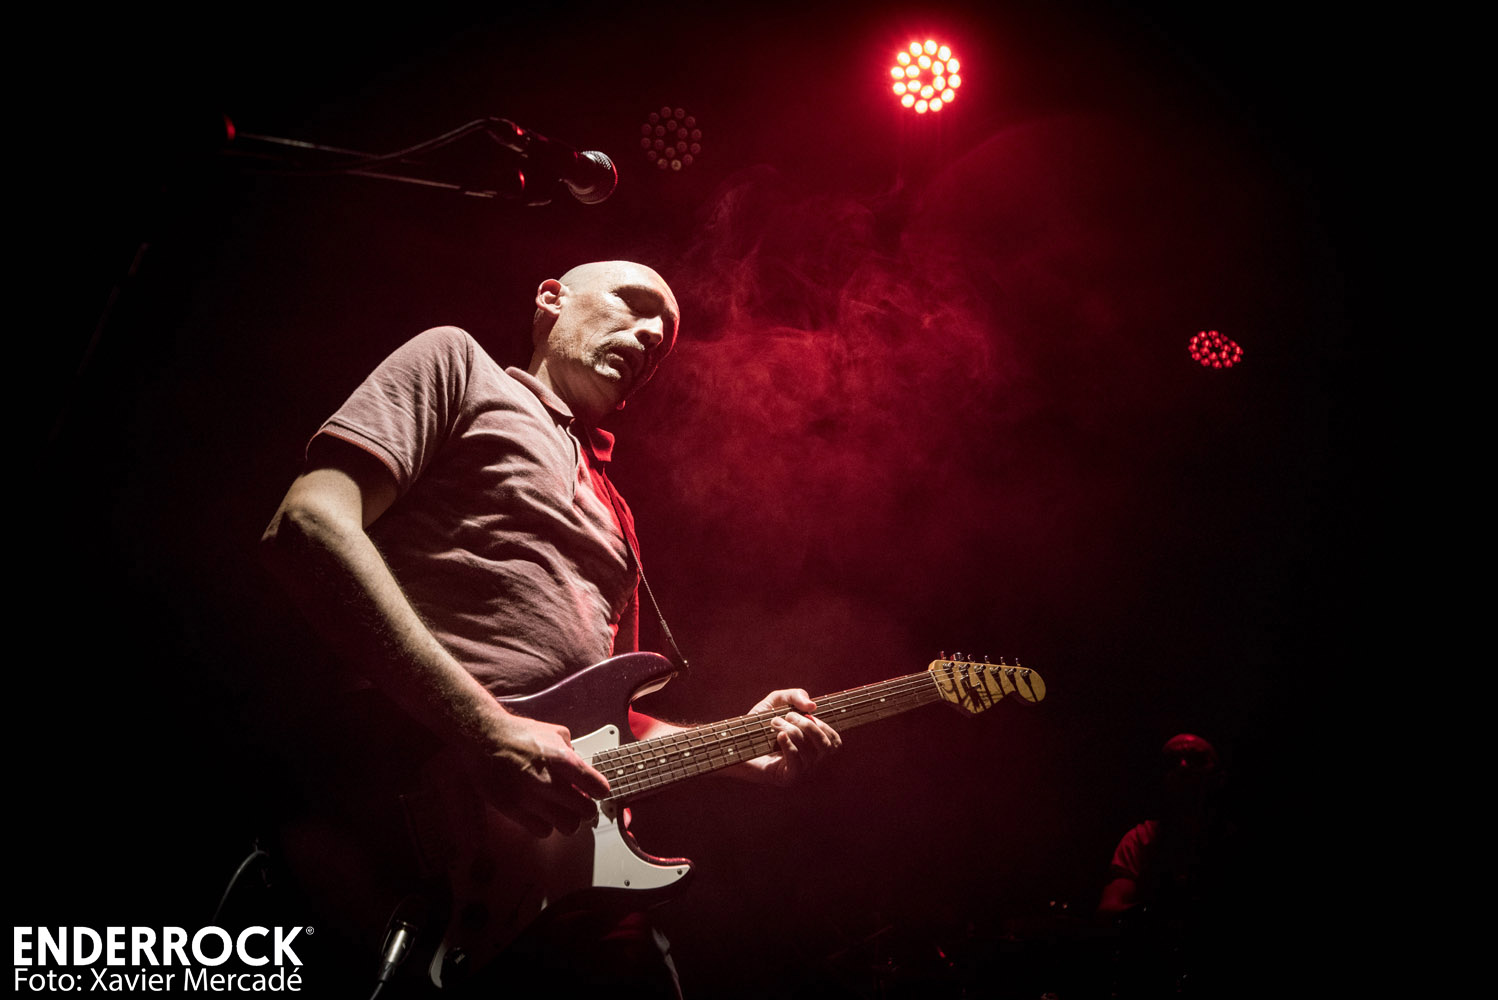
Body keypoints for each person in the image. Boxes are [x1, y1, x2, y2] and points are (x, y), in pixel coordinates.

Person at [260, 260, 842, 994]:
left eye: (664, 340)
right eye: (634, 305)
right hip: (397, 801)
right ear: (550, 301)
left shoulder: (620, 517)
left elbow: (607, 727)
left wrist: (742, 749)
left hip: (538, 885)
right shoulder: (459, 364)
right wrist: (484, 728)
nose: (653, 335)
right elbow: (308, 524)